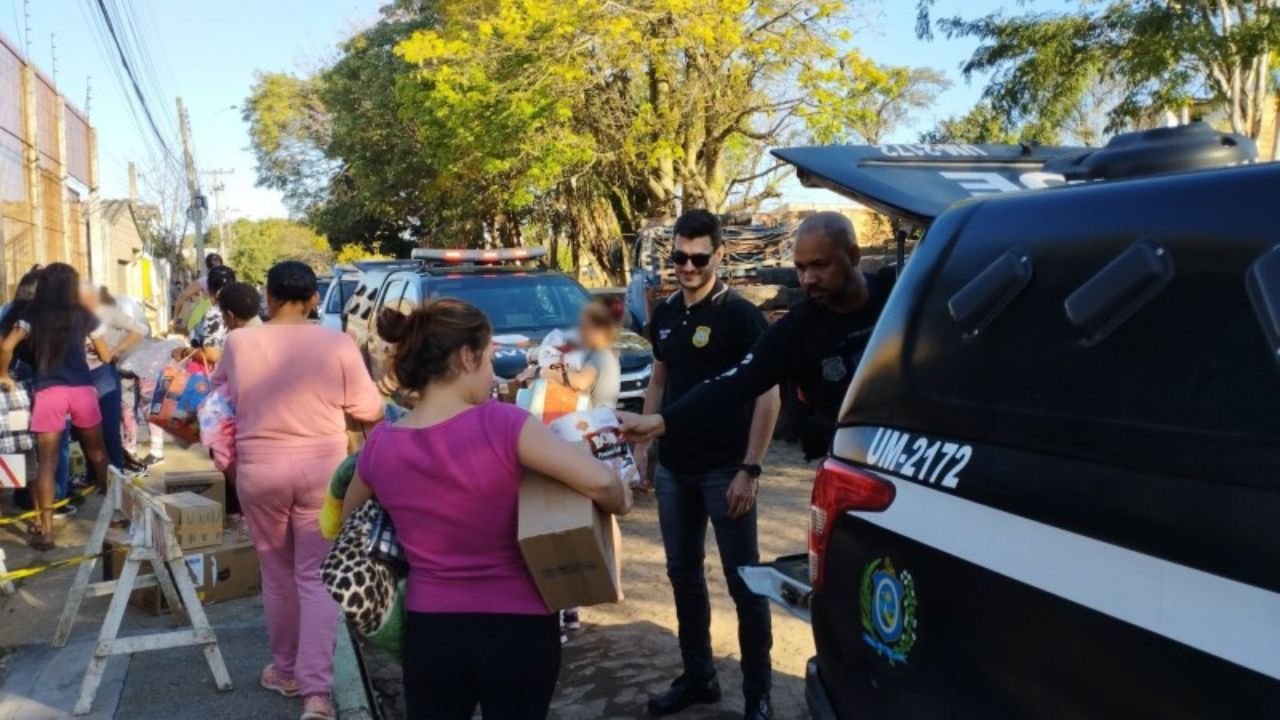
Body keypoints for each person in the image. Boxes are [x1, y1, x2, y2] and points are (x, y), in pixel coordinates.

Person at [342, 298, 632, 720]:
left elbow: (349, 523)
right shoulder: (503, 424)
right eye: (489, 360)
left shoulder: (381, 446)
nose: (493, 374)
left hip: (432, 635)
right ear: (465, 357)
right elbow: (602, 480)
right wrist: (621, 499)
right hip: (519, 632)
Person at [211, 261, 384, 720]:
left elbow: (218, 399)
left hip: (258, 470)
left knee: (277, 574)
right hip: (321, 476)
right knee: (314, 576)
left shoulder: (239, 342)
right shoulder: (338, 343)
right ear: (313, 300)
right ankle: (316, 695)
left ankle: (284, 671)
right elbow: (369, 408)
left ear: (267, 298)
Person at [636, 209, 780, 720]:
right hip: (676, 468)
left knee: (744, 582)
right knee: (683, 576)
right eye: (680, 257)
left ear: (720, 254)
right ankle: (699, 678)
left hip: (726, 468)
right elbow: (658, 381)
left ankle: (758, 693)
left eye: (699, 258)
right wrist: (643, 446)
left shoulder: (740, 316)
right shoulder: (665, 313)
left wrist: (751, 468)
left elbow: (768, 398)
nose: (688, 266)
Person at [621, 211, 896, 462]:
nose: (807, 279)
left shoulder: (900, 296)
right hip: (851, 461)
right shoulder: (797, 330)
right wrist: (657, 423)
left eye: (819, 265)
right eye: (800, 268)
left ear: (854, 256)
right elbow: (732, 384)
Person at [0, 263, 113, 551]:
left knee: (47, 464)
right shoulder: (84, 314)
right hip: (82, 390)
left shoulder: (32, 315)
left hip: (49, 391)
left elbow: (5, 347)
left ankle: (46, 531)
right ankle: (114, 513)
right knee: (98, 455)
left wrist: (3, 375)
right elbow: (105, 354)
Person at [82, 286, 145, 488]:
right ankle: (94, 474)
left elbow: (140, 329)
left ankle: (117, 475)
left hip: (103, 371)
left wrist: (116, 349)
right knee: (85, 429)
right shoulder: (69, 314)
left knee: (109, 428)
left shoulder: (107, 313)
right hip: (77, 374)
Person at [179, 265, 237, 365]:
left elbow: (212, 355)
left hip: (214, 375)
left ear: (209, 290)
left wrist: (184, 352)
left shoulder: (215, 313)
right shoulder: (240, 308)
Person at [174, 253, 225, 333]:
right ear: (222, 265)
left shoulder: (204, 281)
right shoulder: (230, 280)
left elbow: (183, 297)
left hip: (206, 318)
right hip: (225, 320)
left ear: (207, 266)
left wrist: (176, 318)